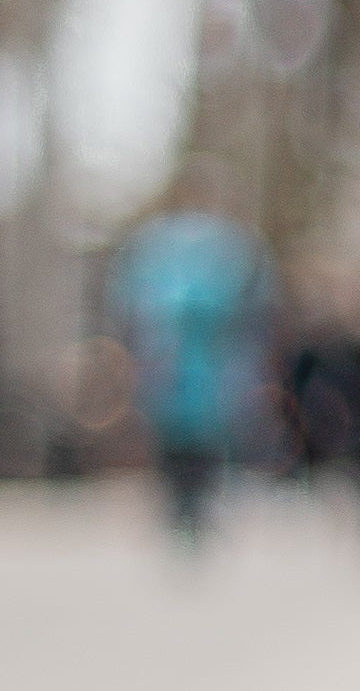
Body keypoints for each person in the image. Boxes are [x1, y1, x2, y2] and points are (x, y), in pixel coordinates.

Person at [108, 197, 267, 547]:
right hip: (176, 372)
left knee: (202, 439)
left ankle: (196, 503)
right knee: (178, 438)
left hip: (203, 374)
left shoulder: (226, 248)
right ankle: (180, 503)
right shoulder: (162, 248)